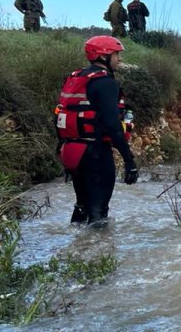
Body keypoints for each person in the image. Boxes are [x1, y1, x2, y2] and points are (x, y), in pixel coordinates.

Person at [54, 35, 139, 227]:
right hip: (95, 153)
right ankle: (97, 254)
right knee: (98, 211)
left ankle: (75, 248)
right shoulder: (106, 83)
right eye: (117, 55)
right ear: (104, 56)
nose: (120, 59)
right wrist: (129, 160)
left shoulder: (77, 78)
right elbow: (113, 125)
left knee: (82, 205)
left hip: (71, 151)